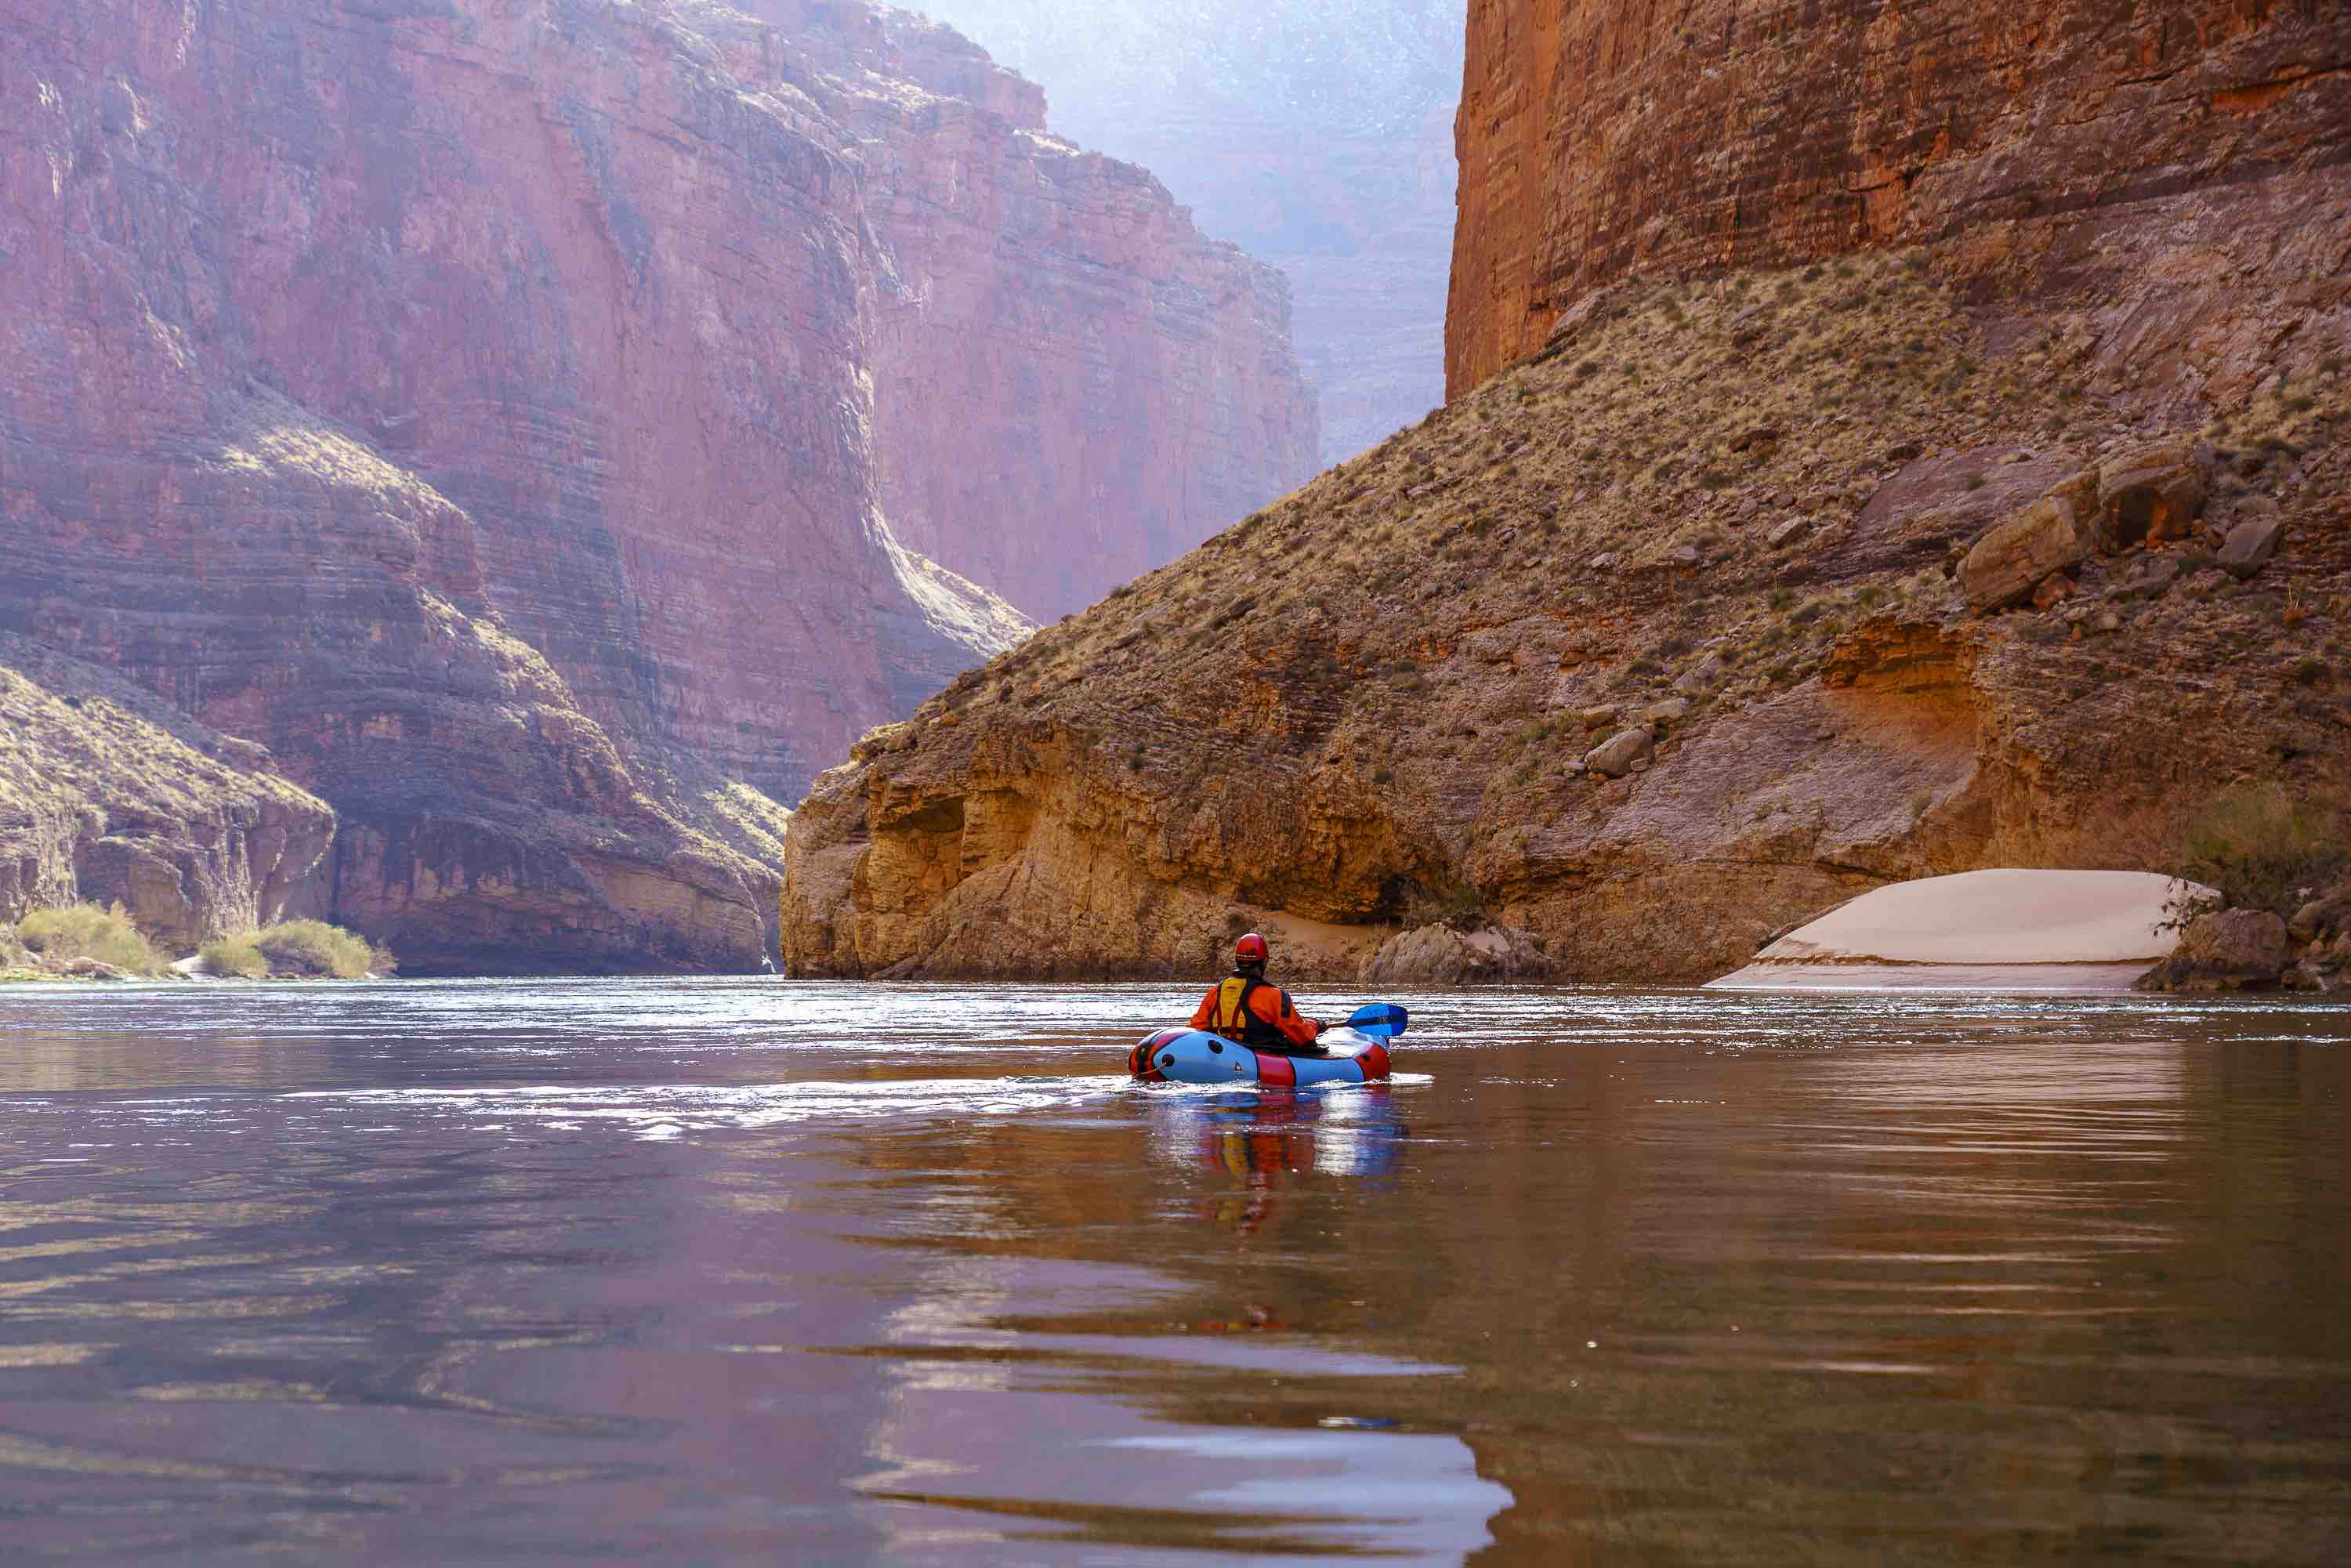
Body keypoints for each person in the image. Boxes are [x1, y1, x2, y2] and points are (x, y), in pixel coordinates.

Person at [1190, 932, 1326, 1056]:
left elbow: (1195, 1030)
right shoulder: (1275, 996)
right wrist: (1315, 1025)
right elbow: (1302, 1037)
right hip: (1260, 1061)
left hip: (1221, 1057)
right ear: (1264, 961)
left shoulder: (1214, 992)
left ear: (1237, 961)